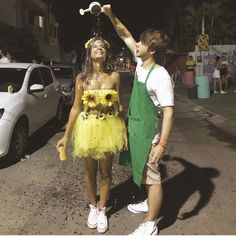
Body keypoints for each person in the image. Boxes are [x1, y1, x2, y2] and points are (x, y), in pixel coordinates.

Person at [103, 5, 174, 235]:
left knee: (153, 179)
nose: (137, 45)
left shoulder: (160, 76)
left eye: (142, 43)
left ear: (151, 49)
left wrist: (161, 145)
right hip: (136, 129)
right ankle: (148, 203)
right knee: (143, 173)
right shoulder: (142, 64)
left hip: (149, 136)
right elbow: (124, 34)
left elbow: (169, 112)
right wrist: (110, 14)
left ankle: (151, 223)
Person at [56, 36, 127, 234]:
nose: (99, 49)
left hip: (108, 127)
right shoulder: (82, 78)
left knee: (105, 172)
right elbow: (75, 108)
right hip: (86, 127)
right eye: (95, 46)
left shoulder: (114, 76)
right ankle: (92, 206)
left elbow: (119, 106)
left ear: (106, 52)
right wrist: (66, 135)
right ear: (89, 52)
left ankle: (102, 209)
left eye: (102, 46)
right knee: (89, 172)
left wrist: (124, 130)